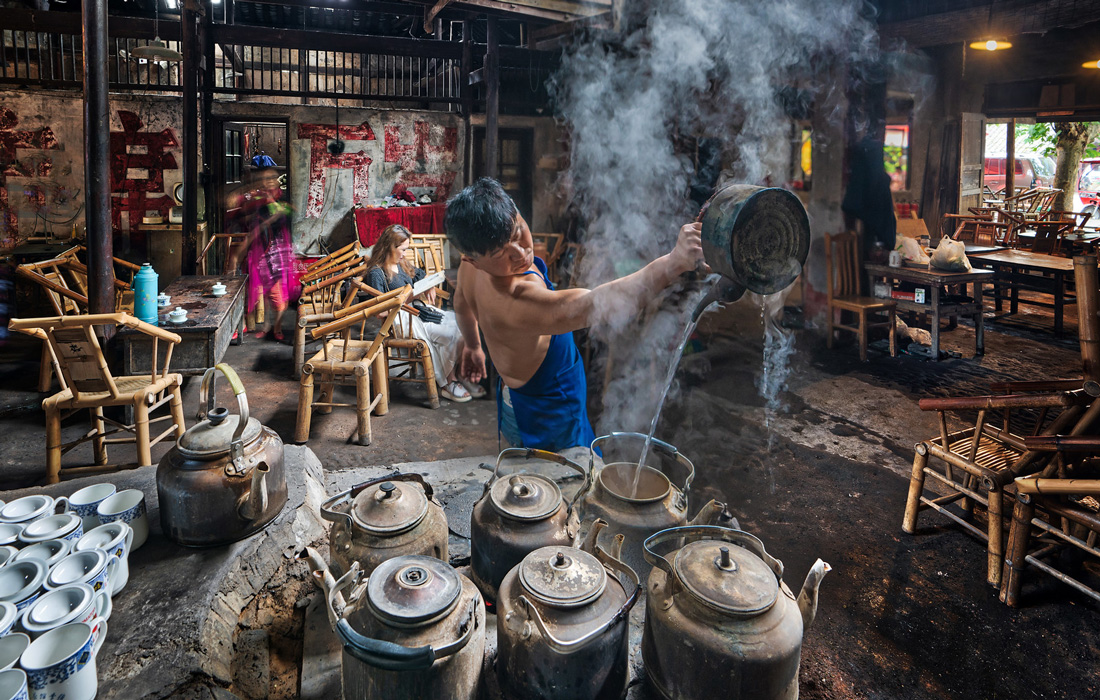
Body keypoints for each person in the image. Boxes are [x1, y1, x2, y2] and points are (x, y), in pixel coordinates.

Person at [446, 177, 704, 452]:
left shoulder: (468, 268)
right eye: (501, 253)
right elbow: (600, 304)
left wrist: (473, 346)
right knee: (566, 484)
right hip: (550, 413)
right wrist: (674, 262)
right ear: (473, 259)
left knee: (524, 480)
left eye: (517, 231)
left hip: (513, 400)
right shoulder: (518, 301)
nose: (521, 253)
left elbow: (461, 302)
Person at [366, 224, 482, 403]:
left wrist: (429, 285)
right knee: (451, 334)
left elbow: (419, 274)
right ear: (389, 247)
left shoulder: (402, 263)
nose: (405, 254)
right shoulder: (377, 273)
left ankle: (455, 375)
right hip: (400, 319)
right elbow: (379, 311)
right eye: (402, 249)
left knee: (460, 326)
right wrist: (407, 298)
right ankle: (448, 383)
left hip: (417, 310)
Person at [229, 168, 296, 341]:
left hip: (279, 251)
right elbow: (242, 210)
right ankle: (266, 326)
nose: (270, 181)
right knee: (265, 290)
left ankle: (278, 327)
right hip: (260, 249)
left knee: (279, 292)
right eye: (266, 179)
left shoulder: (283, 198)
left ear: (278, 180)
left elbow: (287, 217)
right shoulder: (257, 198)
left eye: (273, 177)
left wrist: (276, 209)